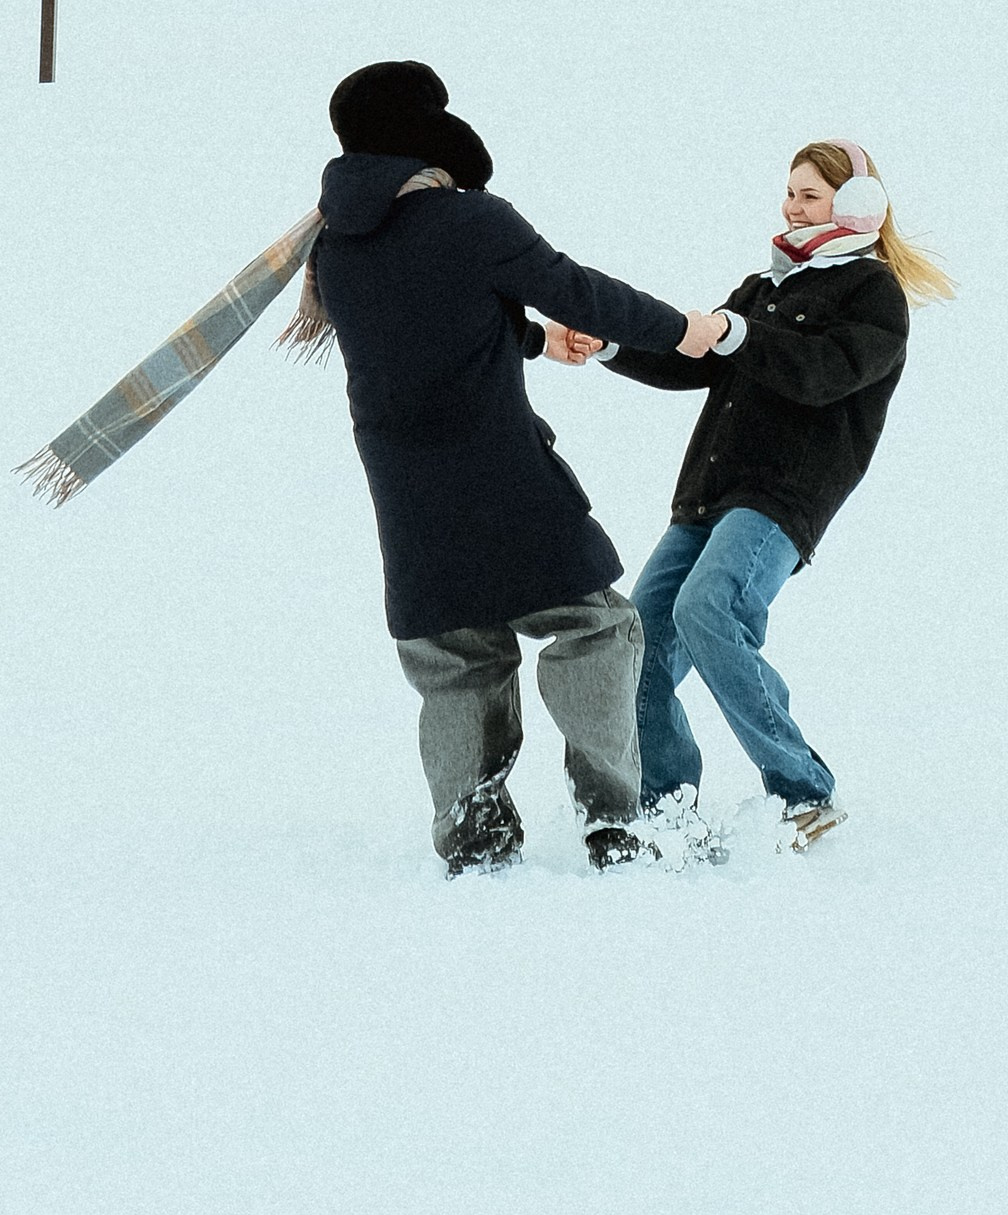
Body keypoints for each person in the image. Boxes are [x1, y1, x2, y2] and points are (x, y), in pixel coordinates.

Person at [304, 58, 727, 877]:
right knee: (599, 626)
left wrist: (534, 341)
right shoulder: (473, 221)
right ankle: (613, 821)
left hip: (405, 489)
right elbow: (576, 289)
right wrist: (682, 329)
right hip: (499, 472)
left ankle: (473, 834)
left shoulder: (336, 246)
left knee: (457, 655)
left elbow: (425, 324)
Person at [544, 136, 952, 857]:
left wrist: (738, 335)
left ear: (857, 205)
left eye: (811, 195)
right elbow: (693, 358)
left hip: (782, 497)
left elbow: (824, 372)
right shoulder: (766, 287)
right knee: (640, 639)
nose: (794, 207)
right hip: (708, 492)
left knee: (709, 609)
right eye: (791, 192)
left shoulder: (872, 295)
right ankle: (667, 803)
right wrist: (608, 346)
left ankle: (805, 793)